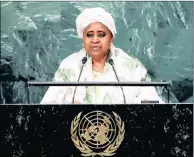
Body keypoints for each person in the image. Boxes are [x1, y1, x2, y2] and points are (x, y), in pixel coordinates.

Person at [40, 7, 165, 104]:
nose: (95, 40)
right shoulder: (68, 66)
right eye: (89, 35)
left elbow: (152, 105)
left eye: (101, 34)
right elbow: (48, 106)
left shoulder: (132, 66)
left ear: (111, 38)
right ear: (83, 38)